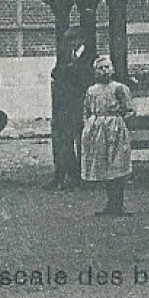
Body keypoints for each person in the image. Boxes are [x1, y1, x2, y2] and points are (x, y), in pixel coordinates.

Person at [80, 55, 136, 215]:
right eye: (100, 68)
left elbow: (130, 109)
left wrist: (118, 122)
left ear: (112, 69)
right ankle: (110, 204)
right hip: (98, 130)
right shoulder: (91, 90)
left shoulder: (119, 88)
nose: (104, 71)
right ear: (95, 72)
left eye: (107, 67)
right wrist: (89, 125)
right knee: (103, 164)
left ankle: (119, 204)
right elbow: (86, 110)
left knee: (117, 164)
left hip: (115, 129)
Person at [49, 40, 93, 189]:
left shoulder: (89, 57)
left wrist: (69, 70)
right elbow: (55, 72)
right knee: (64, 141)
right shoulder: (65, 56)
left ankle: (81, 176)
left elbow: (85, 77)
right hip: (65, 105)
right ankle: (68, 174)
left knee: (81, 140)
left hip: (81, 104)